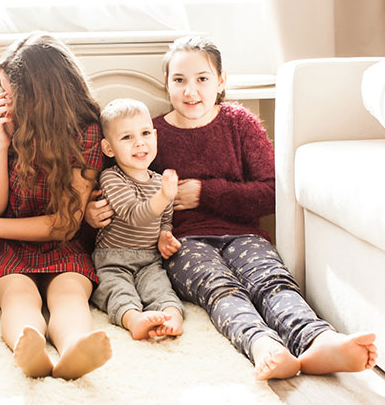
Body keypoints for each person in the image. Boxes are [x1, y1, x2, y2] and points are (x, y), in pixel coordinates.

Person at [85, 35, 378, 380]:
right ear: (166, 83)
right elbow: (122, 183)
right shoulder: (152, 133)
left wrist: (205, 193)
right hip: (186, 243)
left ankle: (318, 339)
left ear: (221, 81)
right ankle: (263, 346)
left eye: (202, 79)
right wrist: (92, 214)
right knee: (220, 289)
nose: (191, 91)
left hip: (243, 234)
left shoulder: (240, 123)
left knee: (272, 281)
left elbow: (272, 193)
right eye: (179, 80)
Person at [0, 32, 112, 380]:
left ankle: (74, 347)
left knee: (69, 294)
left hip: (63, 244)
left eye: (13, 92)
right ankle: (29, 344)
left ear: (44, 95)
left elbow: (65, 224)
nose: (4, 99)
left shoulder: (87, 132)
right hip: (8, 248)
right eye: (2, 89)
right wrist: (2, 144)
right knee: (18, 295)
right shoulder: (0, 120)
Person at [91, 98, 184, 340]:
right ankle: (134, 319)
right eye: (127, 137)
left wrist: (165, 235)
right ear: (109, 148)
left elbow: (165, 219)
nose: (139, 142)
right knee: (115, 290)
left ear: (155, 136)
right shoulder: (112, 178)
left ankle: (172, 316)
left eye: (144, 133)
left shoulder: (159, 181)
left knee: (161, 288)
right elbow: (135, 215)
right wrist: (165, 195)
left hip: (149, 259)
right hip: (112, 257)